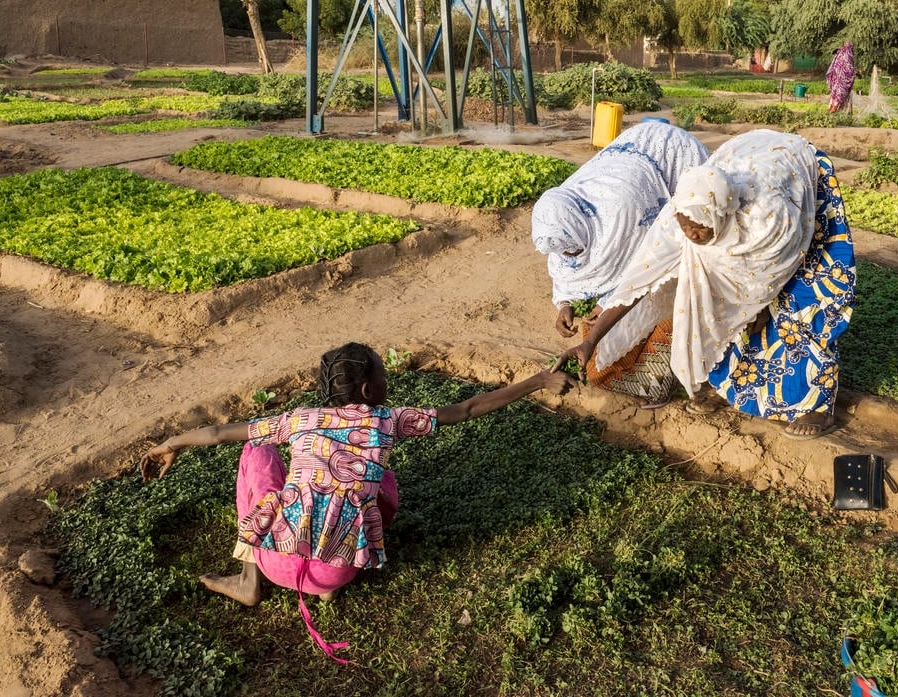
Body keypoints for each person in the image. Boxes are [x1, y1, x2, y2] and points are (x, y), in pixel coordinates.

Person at [141, 341, 574, 662]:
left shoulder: (299, 420)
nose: (390, 381)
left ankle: (248, 579)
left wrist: (171, 444)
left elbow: (218, 433)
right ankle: (323, 585)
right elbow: (465, 409)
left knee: (257, 453)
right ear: (370, 389)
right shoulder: (387, 420)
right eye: (386, 375)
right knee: (381, 480)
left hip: (276, 560)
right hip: (338, 572)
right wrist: (539, 380)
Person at [553, 129, 856, 438]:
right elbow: (638, 281)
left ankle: (815, 405)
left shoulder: (767, 221)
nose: (692, 236)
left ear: (722, 215)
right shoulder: (681, 216)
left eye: (700, 230)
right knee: (712, 305)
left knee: (802, 302)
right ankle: (729, 386)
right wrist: (590, 341)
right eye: (687, 228)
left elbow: (773, 271)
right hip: (746, 159)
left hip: (797, 186)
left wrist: (759, 306)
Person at [532, 121, 708, 408]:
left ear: (580, 226)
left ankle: (682, 366)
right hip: (635, 163)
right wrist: (564, 303)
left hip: (670, 159)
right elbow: (564, 264)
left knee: (678, 278)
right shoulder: (557, 217)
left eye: (574, 248)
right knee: (604, 348)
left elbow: (645, 267)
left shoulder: (623, 215)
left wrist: (609, 303)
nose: (571, 255)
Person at [826, 41, 856, 114]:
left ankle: (832, 110)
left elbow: (834, 66)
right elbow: (850, 68)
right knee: (841, 95)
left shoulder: (839, 54)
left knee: (835, 94)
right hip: (842, 81)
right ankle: (836, 110)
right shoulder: (848, 55)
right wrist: (855, 73)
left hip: (836, 79)